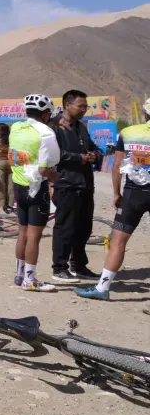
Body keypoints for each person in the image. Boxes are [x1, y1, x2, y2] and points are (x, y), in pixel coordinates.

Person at [75, 97, 150, 301]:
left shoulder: (128, 133)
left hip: (134, 194)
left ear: (145, 113)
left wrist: (117, 194)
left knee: (118, 242)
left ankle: (103, 287)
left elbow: (117, 166)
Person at [49, 90, 103, 284]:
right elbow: (53, 155)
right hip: (66, 184)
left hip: (85, 184)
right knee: (65, 228)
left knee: (84, 227)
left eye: (85, 106)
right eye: (80, 106)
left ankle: (79, 266)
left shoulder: (81, 127)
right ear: (67, 105)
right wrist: (78, 158)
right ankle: (59, 268)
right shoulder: (54, 127)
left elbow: (93, 147)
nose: (84, 110)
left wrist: (95, 155)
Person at [9, 93, 61, 292]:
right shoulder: (46, 133)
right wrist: (56, 177)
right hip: (37, 189)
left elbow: (16, 157)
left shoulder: (16, 128)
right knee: (34, 236)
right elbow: (44, 169)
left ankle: (19, 275)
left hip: (18, 185)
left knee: (22, 233)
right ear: (46, 113)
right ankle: (30, 280)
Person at [0, 123, 14, 213]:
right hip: (11, 163)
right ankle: (10, 204)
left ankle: (1, 204)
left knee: (0, 184)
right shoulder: (12, 139)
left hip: (0, 163)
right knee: (10, 185)